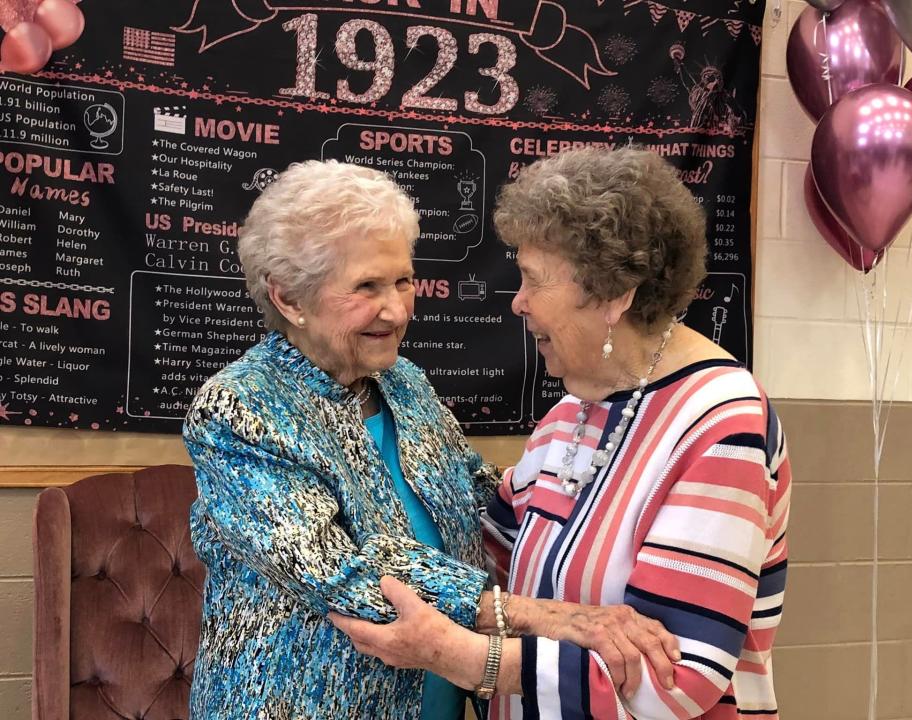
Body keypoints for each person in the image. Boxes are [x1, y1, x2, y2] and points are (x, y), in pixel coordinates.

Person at [183, 159, 681, 720]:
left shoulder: (404, 383)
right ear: (289, 299)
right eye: (366, 287)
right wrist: (539, 615)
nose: (395, 310)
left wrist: (605, 495)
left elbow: (478, 497)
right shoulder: (238, 408)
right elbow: (341, 571)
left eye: (402, 280)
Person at [331, 146, 793, 720]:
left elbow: (674, 678)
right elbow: (484, 554)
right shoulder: (570, 416)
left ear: (611, 296)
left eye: (532, 280)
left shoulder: (722, 425)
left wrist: (457, 655)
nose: (518, 302)